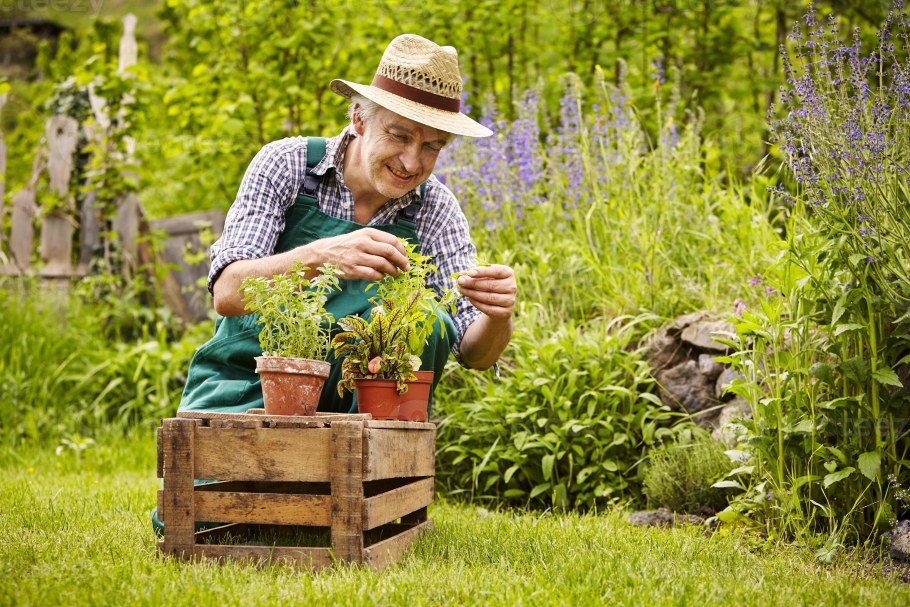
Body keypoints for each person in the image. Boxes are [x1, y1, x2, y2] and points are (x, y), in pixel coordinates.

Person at [177, 33, 517, 415]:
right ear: (359, 118)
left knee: (429, 320)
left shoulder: (434, 210)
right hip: (251, 389)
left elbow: (474, 353)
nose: (410, 162)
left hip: (365, 415)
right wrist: (323, 257)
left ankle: (372, 463)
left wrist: (497, 315)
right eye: (399, 135)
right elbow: (226, 293)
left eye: (431, 147)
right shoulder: (287, 165)